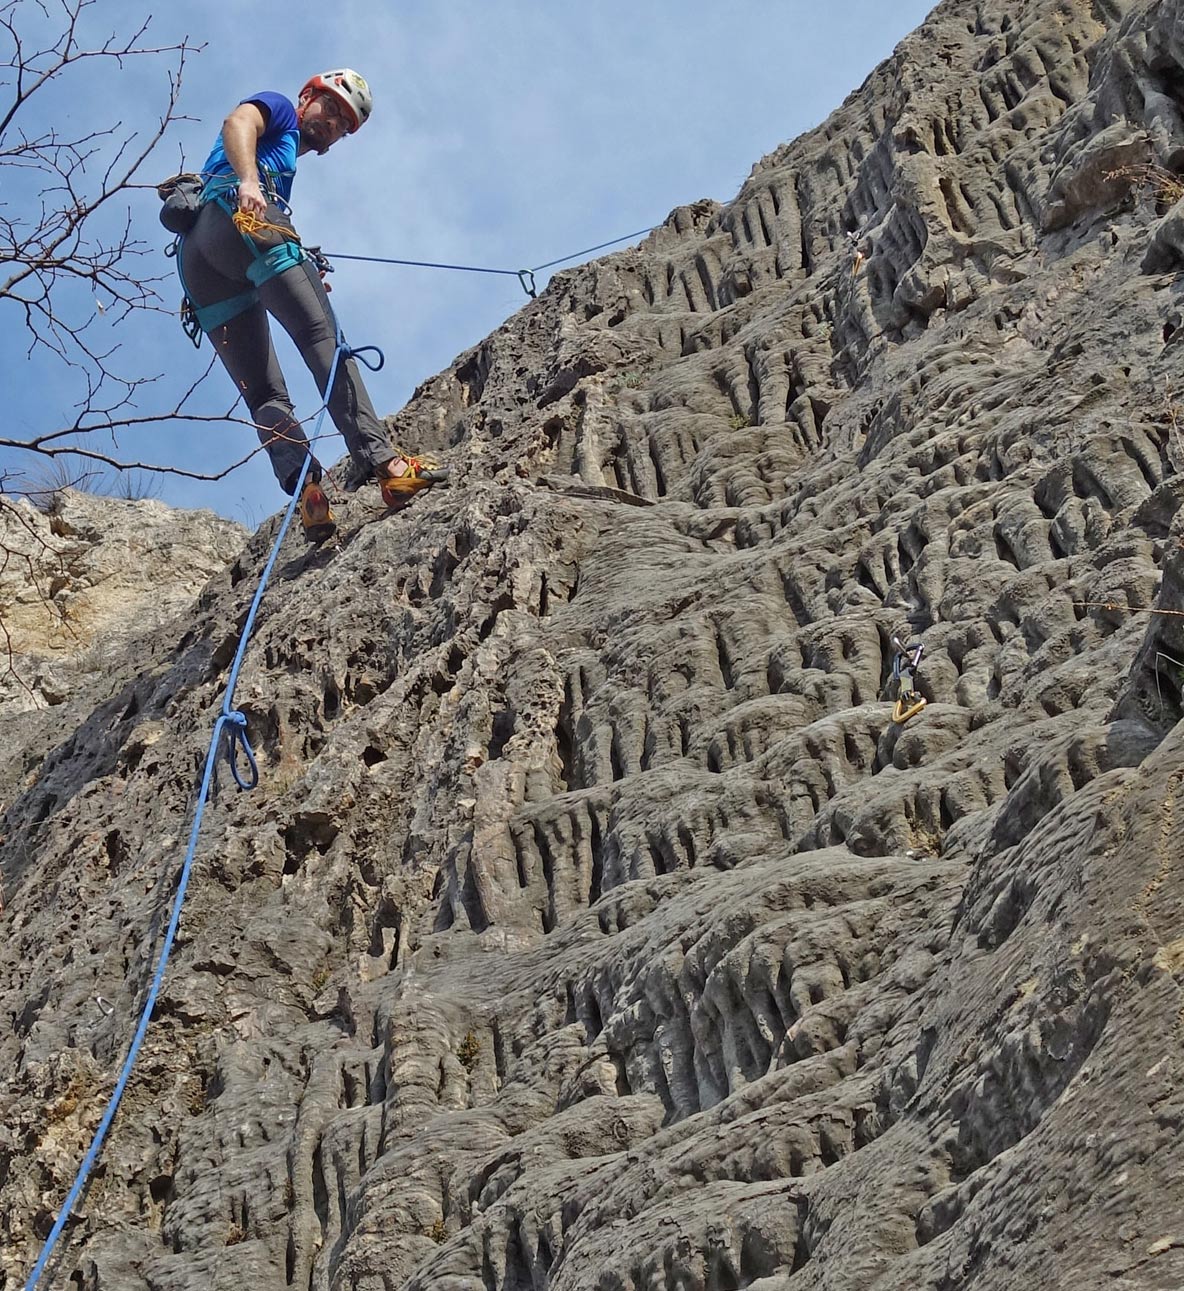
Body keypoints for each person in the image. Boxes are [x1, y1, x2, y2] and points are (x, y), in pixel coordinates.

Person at [180, 69, 441, 542]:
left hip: (199, 261)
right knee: (323, 339)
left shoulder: (284, 165)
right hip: (237, 217)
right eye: (332, 108)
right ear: (307, 96)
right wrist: (248, 182)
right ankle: (386, 463)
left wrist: (301, 260)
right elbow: (237, 123)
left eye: (345, 124)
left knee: (262, 394)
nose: (335, 124)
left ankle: (309, 495)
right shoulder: (278, 107)